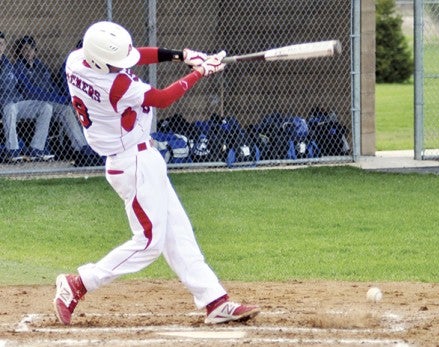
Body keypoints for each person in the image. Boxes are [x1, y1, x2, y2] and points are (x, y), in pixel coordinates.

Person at [53, 21, 260, 326]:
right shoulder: (116, 86)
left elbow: (136, 54)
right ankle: (79, 283)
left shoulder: (77, 60)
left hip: (141, 158)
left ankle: (214, 301)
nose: (123, 64)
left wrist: (183, 55)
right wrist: (200, 72)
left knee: (178, 234)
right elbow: (162, 99)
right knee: (149, 241)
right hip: (132, 164)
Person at [13, 35, 98, 164]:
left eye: (30, 49)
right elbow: (30, 92)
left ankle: (82, 147)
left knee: (66, 110)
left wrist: (59, 98)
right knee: (60, 107)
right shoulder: (18, 67)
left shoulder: (40, 66)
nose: (28, 52)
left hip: (50, 101)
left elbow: (52, 86)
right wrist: (58, 99)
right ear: (20, 52)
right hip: (32, 103)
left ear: (35, 50)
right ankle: (80, 148)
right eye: (24, 49)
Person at [0, 31, 54, 162]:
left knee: (46, 107)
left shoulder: (7, 63)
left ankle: (37, 149)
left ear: (5, 46)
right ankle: (12, 151)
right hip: (4, 105)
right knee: (10, 108)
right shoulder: (17, 65)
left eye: (1, 44)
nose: (0, 47)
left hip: (17, 102)